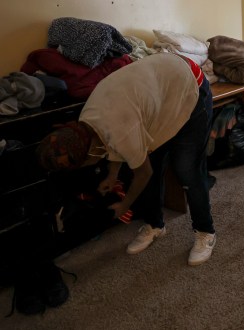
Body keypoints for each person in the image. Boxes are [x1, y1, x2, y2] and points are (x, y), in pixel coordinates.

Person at [36, 52, 217, 266]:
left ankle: (206, 231)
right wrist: (113, 175)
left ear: (89, 155)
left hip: (190, 85)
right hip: (160, 96)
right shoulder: (86, 121)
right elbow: (111, 142)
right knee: (154, 163)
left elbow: (141, 169)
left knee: (186, 169)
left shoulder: (119, 128)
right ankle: (155, 225)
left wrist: (125, 205)